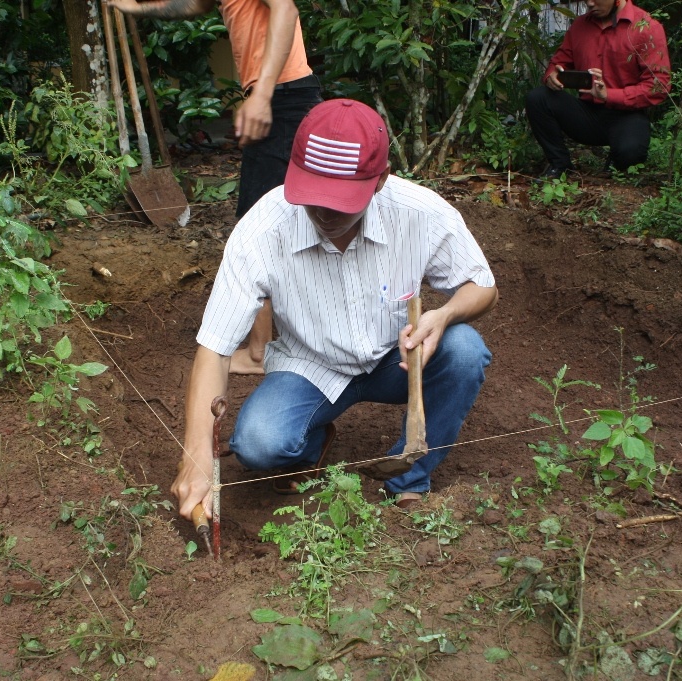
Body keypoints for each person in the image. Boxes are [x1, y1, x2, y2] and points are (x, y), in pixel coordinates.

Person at [171, 99, 498, 520]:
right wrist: (196, 454)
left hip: (394, 360)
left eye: (340, 200)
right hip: (308, 367)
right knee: (257, 443)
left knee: (465, 351)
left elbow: (483, 287)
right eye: (313, 195)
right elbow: (214, 348)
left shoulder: (419, 213)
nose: (324, 212)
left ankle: (409, 476)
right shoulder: (264, 228)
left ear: (379, 181)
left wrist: (443, 315)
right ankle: (312, 439)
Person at [109, 0, 323, 373]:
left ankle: (260, 353)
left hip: (283, 96)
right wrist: (135, 7)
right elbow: (192, 4)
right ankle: (304, 336)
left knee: (256, 230)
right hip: (286, 94)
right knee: (292, 223)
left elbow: (285, 10)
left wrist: (262, 95)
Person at [525, 0, 671, 180]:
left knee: (630, 152)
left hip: (627, 115)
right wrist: (552, 76)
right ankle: (560, 164)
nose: (590, 3)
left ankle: (616, 160)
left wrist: (609, 95)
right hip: (587, 113)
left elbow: (659, 86)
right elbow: (559, 62)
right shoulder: (580, 26)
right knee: (538, 98)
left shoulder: (646, 27)